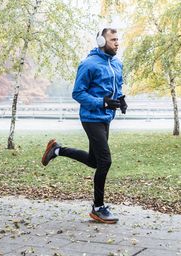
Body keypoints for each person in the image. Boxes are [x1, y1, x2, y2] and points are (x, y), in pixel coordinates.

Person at [41, 28, 127, 224]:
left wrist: (120, 101)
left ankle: (57, 150)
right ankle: (98, 208)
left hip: (105, 118)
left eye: (118, 39)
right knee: (105, 161)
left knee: (95, 161)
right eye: (113, 39)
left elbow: (117, 87)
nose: (117, 43)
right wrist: (102, 102)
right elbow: (78, 93)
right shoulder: (88, 64)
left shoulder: (117, 63)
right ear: (101, 41)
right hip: (91, 117)